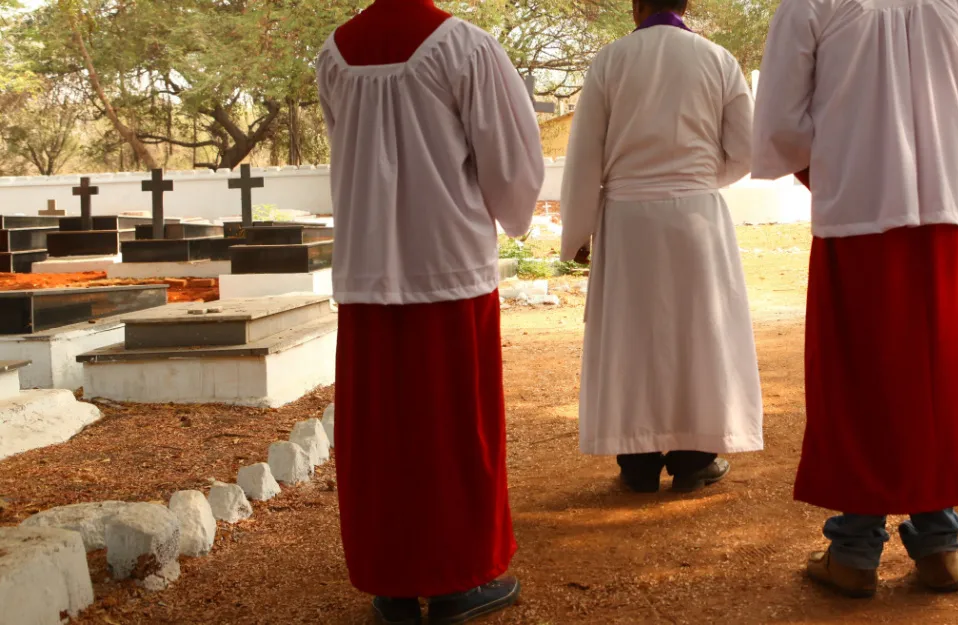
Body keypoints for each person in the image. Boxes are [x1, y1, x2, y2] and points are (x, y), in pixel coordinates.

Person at [752, 0, 958, 599]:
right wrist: (938, 159)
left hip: (857, 213)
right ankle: (939, 544)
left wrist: (843, 163)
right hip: (939, 216)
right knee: (938, 372)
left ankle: (854, 550)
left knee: (857, 375)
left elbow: (783, 126)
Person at [316, 0, 543, 622]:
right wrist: (510, 215)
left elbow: (349, 149)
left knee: (383, 431)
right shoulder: (462, 46)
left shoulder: (334, 54)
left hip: (367, 269)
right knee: (452, 428)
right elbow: (511, 160)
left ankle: (391, 581)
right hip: (447, 266)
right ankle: (456, 581)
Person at [560, 0, 764, 493]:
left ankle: (638, 462)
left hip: (627, 221)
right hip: (697, 217)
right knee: (698, 330)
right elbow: (745, 150)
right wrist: (693, 181)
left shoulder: (610, 61)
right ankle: (695, 459)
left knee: (632, 335)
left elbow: (585, 154)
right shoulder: (717, 58)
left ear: (635, 6)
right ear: (686, 4)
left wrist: (577, 234)